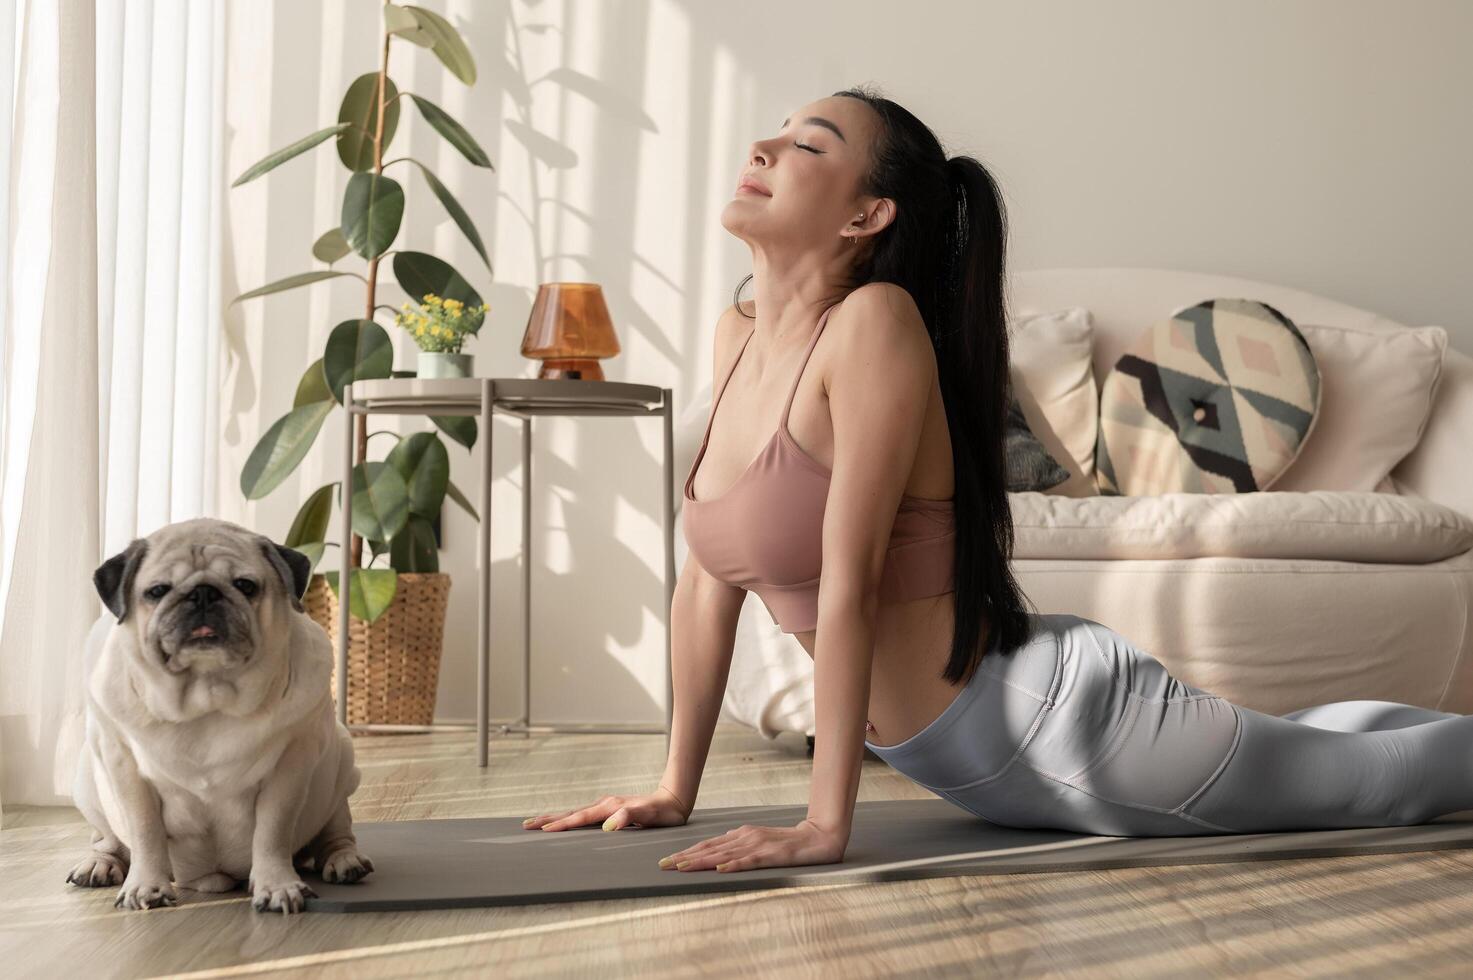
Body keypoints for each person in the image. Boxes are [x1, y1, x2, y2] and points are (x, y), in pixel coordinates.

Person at [520, 86, 1473, 871]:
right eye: (775, 132)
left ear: (866, 215)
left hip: (1061, 734)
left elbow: (848, 583)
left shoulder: (873, 322)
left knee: (1380, 785)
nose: (765, 145)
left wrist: (824, 826)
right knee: (1324, 749)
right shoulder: (737, 338)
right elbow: (706, 584)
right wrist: (672, 789)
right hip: (980, 754)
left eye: (807, 143)